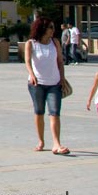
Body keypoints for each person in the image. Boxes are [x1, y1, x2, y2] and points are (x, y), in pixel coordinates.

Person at [24, 17, 68, 154]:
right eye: (51, 27)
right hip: (37, 84)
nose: (53, 30)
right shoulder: (31, 44)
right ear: (42, 28)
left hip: (54, 83)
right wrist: (31, 74)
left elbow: (60, 62)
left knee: (55, 112)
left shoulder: (55, 43)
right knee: (39, 112)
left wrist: (62, 78)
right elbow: (27, 61)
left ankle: (57, 144)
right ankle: (41, 141)